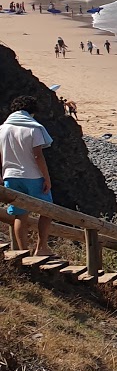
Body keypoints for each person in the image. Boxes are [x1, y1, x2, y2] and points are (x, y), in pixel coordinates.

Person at [1, 96, 54, 256]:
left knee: (20, 214)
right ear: (32, 112)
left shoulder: (2, 129)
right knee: (48, 211)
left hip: (10, 176)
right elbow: (38, 156)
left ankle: (22, 251)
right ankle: (41, 248)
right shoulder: (33, 128)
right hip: (33, 176)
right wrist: (47, 178)